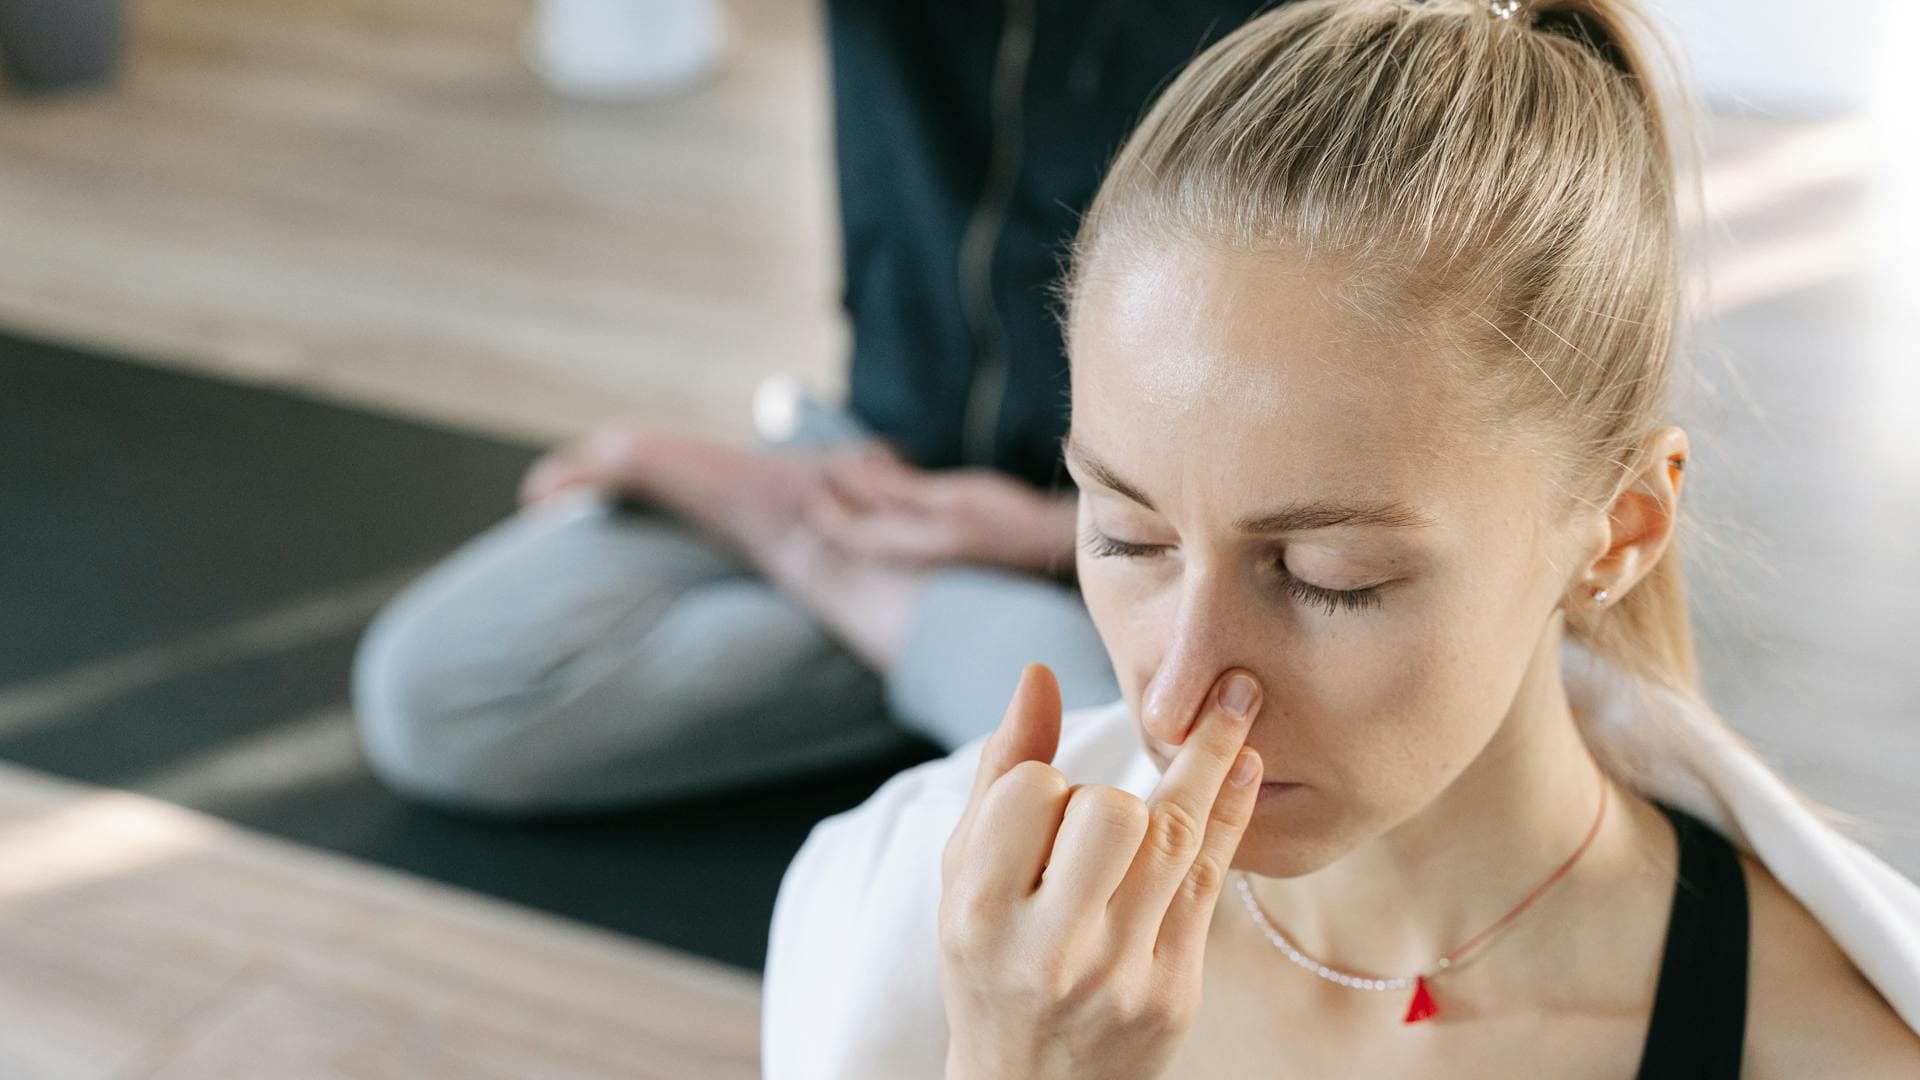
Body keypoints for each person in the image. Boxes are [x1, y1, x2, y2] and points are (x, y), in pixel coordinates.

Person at [761, 0, 1920, 1075]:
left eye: (1329, 577)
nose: (1175, 699)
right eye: (1126, 538)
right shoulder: (909, 919)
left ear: (1620, 529)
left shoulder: (1824, 1048)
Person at [349, 0, 1271, 814]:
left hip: (1138, 544)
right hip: (859, 473)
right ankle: (890, 611)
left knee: (1132, 812)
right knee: (435, 691)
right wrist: (841, 505)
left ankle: (827, 569)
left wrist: (1043, 532)